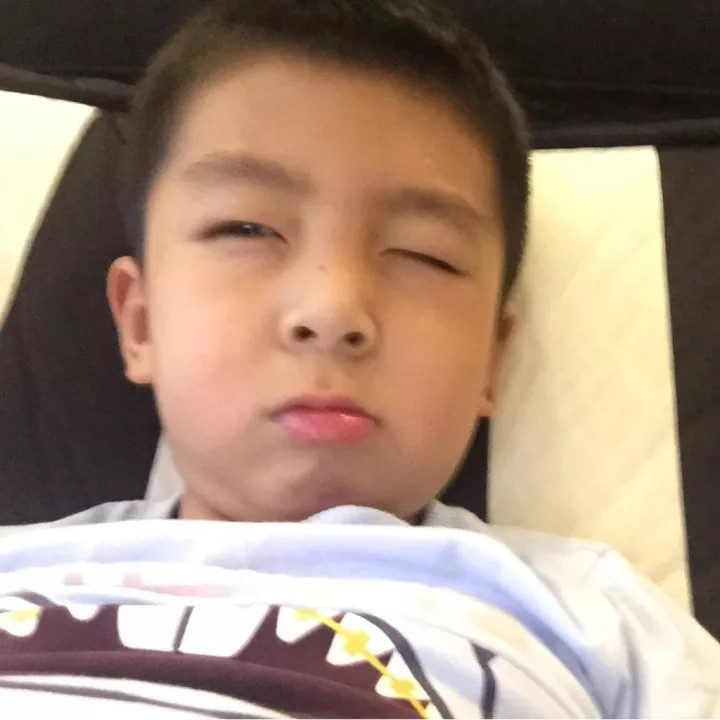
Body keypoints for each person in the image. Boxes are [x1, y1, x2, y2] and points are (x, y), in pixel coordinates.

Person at [0, 0, 718, 717]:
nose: (332, 311)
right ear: (141, 324)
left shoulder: (589, 616)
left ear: (492, 361)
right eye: (246, 228)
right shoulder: (22, 565)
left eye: (424, 255)